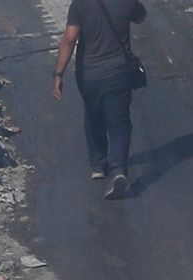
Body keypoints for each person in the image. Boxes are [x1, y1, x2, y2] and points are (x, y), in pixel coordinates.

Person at [53, 0, 149, 199]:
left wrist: (58, 74)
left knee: (93, 114)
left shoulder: (80, 4)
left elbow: (70, 38)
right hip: (118, 72)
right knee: (120, 122)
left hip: (88, 75)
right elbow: (141, 16)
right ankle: (118, 170)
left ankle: (97, 164)